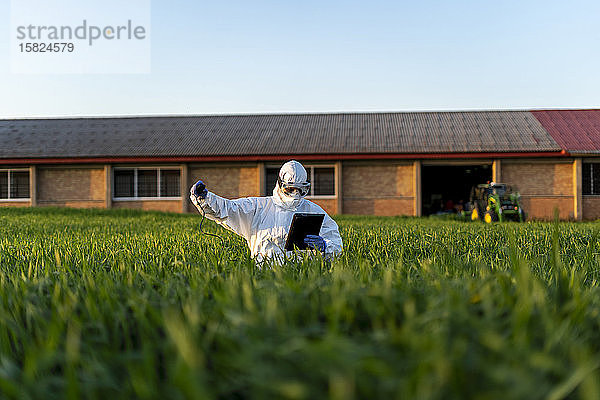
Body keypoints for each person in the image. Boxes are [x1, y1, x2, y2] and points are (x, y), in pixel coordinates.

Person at [189, 160, 343, 263]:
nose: (295, 194)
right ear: (280, 184)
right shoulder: (258, 207)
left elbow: (336, 244)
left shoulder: (313, 211)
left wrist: (325, 246)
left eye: (300, 190)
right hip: (263, 279)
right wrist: (206, 198)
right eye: (290, 189)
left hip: (301, 281)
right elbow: (228, 209)